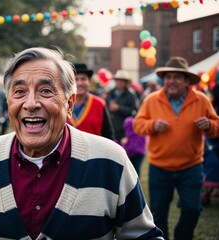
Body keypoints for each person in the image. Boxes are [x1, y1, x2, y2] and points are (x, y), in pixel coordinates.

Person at [0, 47, 163, 239]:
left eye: (46, 91)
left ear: (69, 103)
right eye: (19, 92)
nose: (30, 104)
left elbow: (143, 235)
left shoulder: (110, 160)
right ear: (8, 101)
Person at [133, 56, 219, 240]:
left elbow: (216, 126)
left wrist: (209, 126)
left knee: (192, 210)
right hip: (159, 167)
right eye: (168, 77)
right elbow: (138, 124)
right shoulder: (152, 100)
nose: (171, 81)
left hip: (191, 167)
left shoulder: (202, 100)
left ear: (187, 81)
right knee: (158, 214)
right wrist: (153, 125)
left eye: (177, 77)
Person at [67, 63, 114, 140]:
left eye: (83, 79)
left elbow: (108, 134)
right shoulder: (63, 104)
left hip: (94, 150)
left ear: (90, 82)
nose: (79, 83)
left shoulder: (99, 104)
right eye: (76, 79)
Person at [105, 70, 139, 142]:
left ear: (126, 82)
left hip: (125, 131)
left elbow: (135, 111)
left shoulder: (131, 95)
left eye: (122, 80)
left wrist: (119, 108)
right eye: (118, 80)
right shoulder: (110, 93)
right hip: (111, 129)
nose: (119, 82)